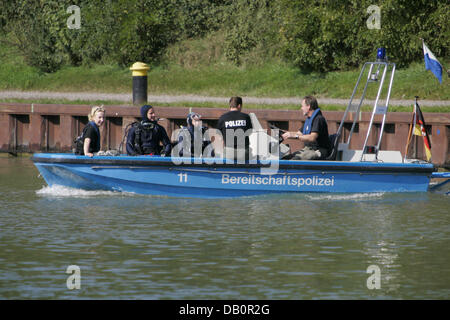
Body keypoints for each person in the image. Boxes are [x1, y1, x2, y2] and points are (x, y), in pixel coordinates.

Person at [281, 96, 331, 160]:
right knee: (286, 158)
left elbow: (312, 137)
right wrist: (285, 133)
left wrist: (296, 136)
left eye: (302, 106)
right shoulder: (309, 120)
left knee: (295, 159)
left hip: (319, 151)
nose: (301, 108)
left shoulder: (318, 119)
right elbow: (299, 133)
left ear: (308, 106)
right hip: (308, 149)